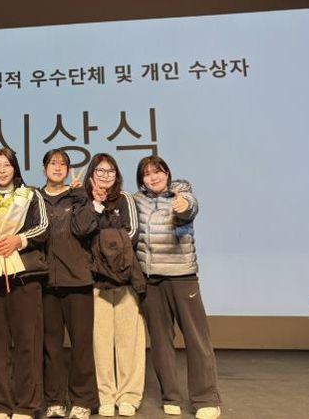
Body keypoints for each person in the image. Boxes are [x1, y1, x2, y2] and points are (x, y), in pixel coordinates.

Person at [133, 155, 221, 419]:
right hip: (151, 280)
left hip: (182, 276)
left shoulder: (181, 193)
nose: (153, 177)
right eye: (147, 174)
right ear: (142, 180)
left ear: (167, 173)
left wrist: (183, 205)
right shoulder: (136, 200)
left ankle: (205, 398)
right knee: (160, 342)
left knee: (196, 339)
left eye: (158, 171)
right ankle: (170, 395)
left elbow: (188, 208)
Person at [0, 147, 49, 419]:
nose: (2, 170)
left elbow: (43, 228)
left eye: (7, 165)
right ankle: (0, 405)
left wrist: (18, 240)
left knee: (28, 341)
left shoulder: (30, 195)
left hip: (25, 276)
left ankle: (27, 404)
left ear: (15, 168)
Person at [84, 153, 144, 417]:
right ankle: (105, 395)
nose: (105, 175)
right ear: (91, 174)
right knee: (100, 342)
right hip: (95, 281)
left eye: (110, 171)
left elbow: (131, 234)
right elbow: (82, 233)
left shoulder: (125, 199)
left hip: (125, 278)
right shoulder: (84, 200)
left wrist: (101, 244)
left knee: (129, 341)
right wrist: (96, 206)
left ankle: (129, 395)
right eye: (100, 171)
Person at [39, 149, 98, 419]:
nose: (58, 167)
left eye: (63, 164)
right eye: (53, 163)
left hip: (77, 281)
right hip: (45, 283)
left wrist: (80, 196)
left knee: (81, 345)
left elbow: (85, 228)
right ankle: (54, 401)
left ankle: (82, 400)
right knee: (50, 346)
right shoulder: (35, 198)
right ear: (44, 168)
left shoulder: (76, 196)